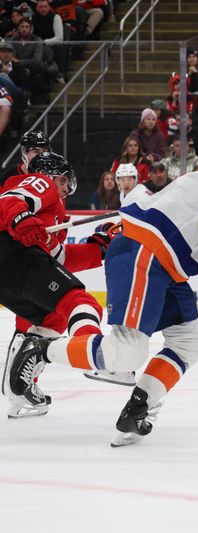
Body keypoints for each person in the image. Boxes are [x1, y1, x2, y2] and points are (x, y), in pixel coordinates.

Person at [5, 136, 198, 446]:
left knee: (190, 342)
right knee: (125, 353)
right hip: (147, 253)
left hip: (166, 266)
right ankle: (41, 348)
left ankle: (137, 408)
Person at [1, 152, 110, 417]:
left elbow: (59, 258)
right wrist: (20, 218)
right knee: (82, 304)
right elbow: (9, 200)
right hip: (11, 254)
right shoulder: (41, 183)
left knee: (53, 318)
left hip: (12, 268)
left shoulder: (54, 217)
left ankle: (20, 382)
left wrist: (101, 247)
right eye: (62, 181)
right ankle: (93, 353)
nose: (64, 188)